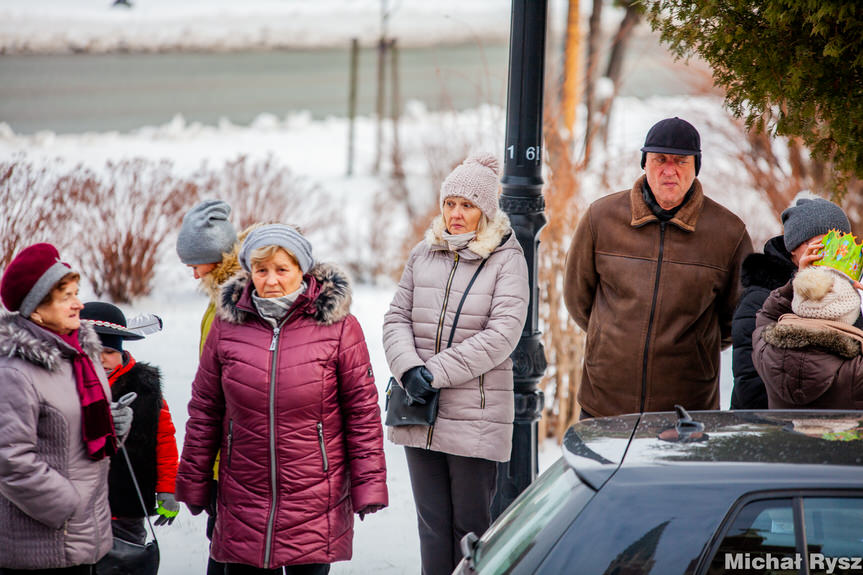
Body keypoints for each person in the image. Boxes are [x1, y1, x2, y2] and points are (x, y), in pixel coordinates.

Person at [175, 224, 388, 574]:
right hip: (244, 492)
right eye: (261, 270)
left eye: (281, 270)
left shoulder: (338, 327)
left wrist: (369, 484)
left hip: (315, 494)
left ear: (302, 271)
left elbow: (361, 412)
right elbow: (205, 410)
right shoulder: (228, 326)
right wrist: (195, 480)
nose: (271, 281)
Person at [382, 153, 529, 575]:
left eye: (467, 205)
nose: (456, 214)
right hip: (418, 409)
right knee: (431, 527)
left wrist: (435, 372)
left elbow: (502, 334)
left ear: (485, 209)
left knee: (471, 531)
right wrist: (409, 369)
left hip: (475, 417)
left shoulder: (506, 260)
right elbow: (396, 317)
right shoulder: (423, 254)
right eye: (450, 204)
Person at [564, 117, 752, 418]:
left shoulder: (729, 233)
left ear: (696, 166)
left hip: (688, 408)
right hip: (605, 400)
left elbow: (735, 320)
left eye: (680, 161)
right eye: (659, 159)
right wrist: (609, 338)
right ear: (645, 163)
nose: (669, 170)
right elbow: (578, 299)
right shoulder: (600, 218)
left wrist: (700, 350)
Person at [0, 243, 132, 574]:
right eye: (66, 297)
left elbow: (81, 434)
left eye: (76, 292)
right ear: (36, 310)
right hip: (42, 542)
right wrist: (67, 505)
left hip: (84, 533)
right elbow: (9, 459)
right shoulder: (15, 370)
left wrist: (116, 426)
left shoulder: (79, 355)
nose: (79, 304)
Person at [730, 197, 851, 409]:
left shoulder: (846, 297)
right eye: (818, 243)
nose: (827, 253)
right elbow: (752, 388)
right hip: (770, 432)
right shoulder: (760, 299)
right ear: (793, 247)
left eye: (838, 244)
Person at [79, 302, 180, 545]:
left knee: (126, 560)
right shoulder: (66, 384)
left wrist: (168, 489)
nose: (102, 359)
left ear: (122, 353)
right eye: (94, 352)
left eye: (110, 352)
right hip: (78, 503)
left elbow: (164, 440)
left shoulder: (144, 387)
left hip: (128, 502)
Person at [176, 198, 240, 575]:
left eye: (195, 264)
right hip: (223, 448)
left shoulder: (230, 305)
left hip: (235, 451)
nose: (194, 274)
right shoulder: (219, 299)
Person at [753, 264, 863, 409]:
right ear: (849, 315)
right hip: (845, 433)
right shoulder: (856, 369)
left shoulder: (765, 349)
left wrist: (798, 281)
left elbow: (768, 315)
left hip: (786, 432)